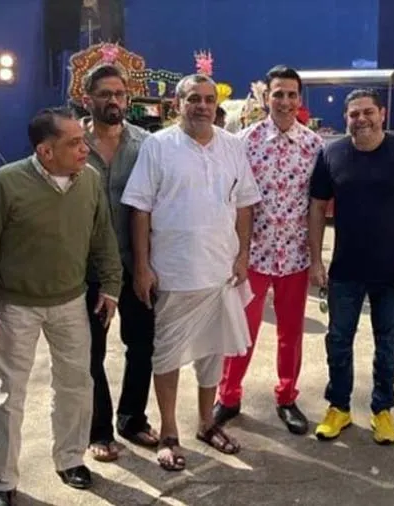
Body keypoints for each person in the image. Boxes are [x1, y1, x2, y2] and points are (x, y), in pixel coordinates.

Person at [0, 107, 122, 506]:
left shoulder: (89, 181)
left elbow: (103, 237)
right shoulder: (5, 183)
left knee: (76, 385)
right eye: (74, 143)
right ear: (45, 151)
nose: (84, 148)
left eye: (83, 140)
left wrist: (112, 286)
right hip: (15, 306)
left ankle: (70, 459)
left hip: (71, 302)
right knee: (9, 396)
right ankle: (2, 481)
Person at [120, 74, 262, 472]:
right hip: (174, 272)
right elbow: (140, 208)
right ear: (177, 104)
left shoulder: (232, 145)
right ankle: (169, 431)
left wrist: (242, 255)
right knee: (166, 353)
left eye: (208, 99)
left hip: (221, 271)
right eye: (193, 99)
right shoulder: (158, 146)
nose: (202, 106)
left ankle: (205, 422)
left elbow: (245, 204)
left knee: (213, 352)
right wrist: (143, 266)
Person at [308, 88, 394, 445]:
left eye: (368, 112)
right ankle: (339, 407)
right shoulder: (331, 154)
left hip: (392, 271)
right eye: (354, 114)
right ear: (346, 118)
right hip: (344, 270)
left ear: (382, 114)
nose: (361, 119)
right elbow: (317, 208)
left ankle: (382, 409)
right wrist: (316, 260)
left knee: (387, 345)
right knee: (338, 341)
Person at [214, 65, 325, 434]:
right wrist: (235, 252)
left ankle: (287, 397)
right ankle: (228, 395)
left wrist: (316, 258)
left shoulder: (313, 145)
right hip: (253, 255)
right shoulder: (243, 142)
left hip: (295, 256)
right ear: (266, 97)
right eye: (278, 93)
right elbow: (232, 200)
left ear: (299, 99)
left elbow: (318, 206)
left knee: (290, 333)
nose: (285, 101)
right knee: (241, 329)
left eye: (292, 94)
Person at [79, 64, 160, 463]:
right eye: (105, 94)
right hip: (86, 271)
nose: (114, 101)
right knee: (90, 353)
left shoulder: (147, 145)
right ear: (87, 99)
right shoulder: (70, 142)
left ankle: (132, 419)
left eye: (119, 94)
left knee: (142, 345)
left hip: (136, 263)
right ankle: (98, 429)